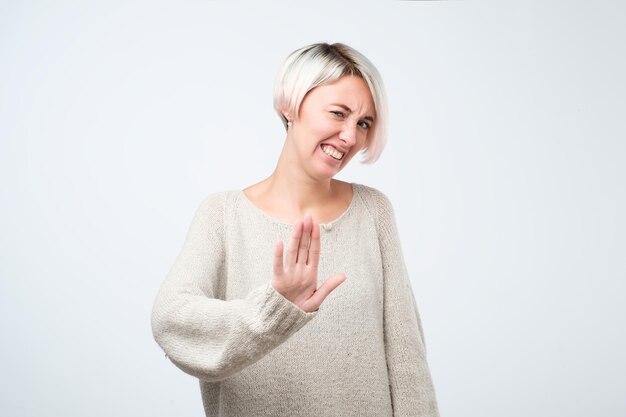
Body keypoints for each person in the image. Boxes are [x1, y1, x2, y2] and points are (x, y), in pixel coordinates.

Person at [151, 42, 439, 417]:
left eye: (363, 123)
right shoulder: (222, 216)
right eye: (338, 113)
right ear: (290, 105)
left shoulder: (374, 212)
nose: (350, 137)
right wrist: (275, 309)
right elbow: (172, 321)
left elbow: (407, 360)